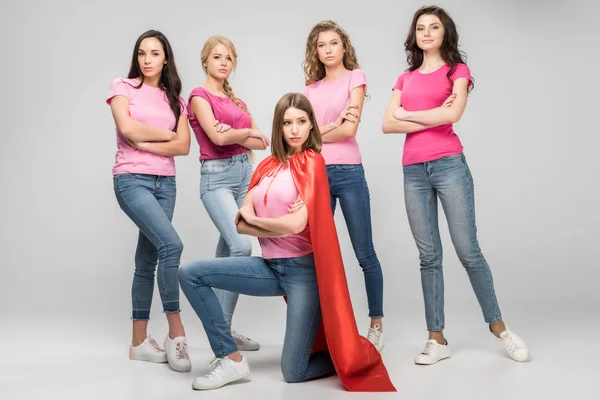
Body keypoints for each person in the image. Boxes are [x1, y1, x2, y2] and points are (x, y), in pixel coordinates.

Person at [179, 93, 395, 391]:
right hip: (269, 268)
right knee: (191, 273)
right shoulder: (266, 166)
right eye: (287, 122)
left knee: (293, 372)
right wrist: (271, 225)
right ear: (278, 127)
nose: (294, 129)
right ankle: (230, 357)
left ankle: (352, 355)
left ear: (310, 126)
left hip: (303, 275)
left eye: (301, 122)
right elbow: (241, 225)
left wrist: (259, 221)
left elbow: (296, 225)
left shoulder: (314, 163)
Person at [382, 5, 529, 364]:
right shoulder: (404, 78)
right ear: (414, 36)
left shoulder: (457, 71)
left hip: (449, 165)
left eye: (434, 27)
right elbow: (387, 125)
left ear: (445, 32)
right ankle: (436, 338)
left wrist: (409, 115)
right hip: (413, 171)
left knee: (468, 251)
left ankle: (500, 328)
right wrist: (427, 116)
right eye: (421, 28)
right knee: (428, 257)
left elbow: (454, 114)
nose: (427, 33)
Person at [107, 30, 191, 372]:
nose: (147, 59)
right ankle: (177, 334)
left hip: (166, 183)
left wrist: (150, 139)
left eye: (154, 53)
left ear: (165, 58)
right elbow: (127, 128)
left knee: (147, 260)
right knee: (172, 245)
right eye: (142, 53)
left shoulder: (176, 98)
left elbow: (183, 147)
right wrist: (167, 134)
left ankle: (138, 342)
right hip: (131, 179)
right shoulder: (122, 87)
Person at [302, 20, 385, 351]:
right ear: (316, 52)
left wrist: (322, 130)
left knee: (364, 251)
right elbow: (300, 138)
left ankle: (376, 322)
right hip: (317, 174)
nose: (327, 50)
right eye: (322, 45)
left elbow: (348, 131)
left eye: (333, 43)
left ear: (343, 47)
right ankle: (318, 325)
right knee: (314, 253)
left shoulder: (356, 78)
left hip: (349, 172)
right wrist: (330, 125)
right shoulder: (309, 89)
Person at [187, 36, 270, 350]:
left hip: (244, 177)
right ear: (206, 61)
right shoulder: (198, 96)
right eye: (217, 57)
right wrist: (242, 133)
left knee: (227, 255)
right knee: (241, 248)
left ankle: (223, 330)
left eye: (228, 59)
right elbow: (216, 139)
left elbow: (260, 142)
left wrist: (237, 133)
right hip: (217, 179)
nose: (223, 63)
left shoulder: (238, 103)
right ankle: (222, 336)